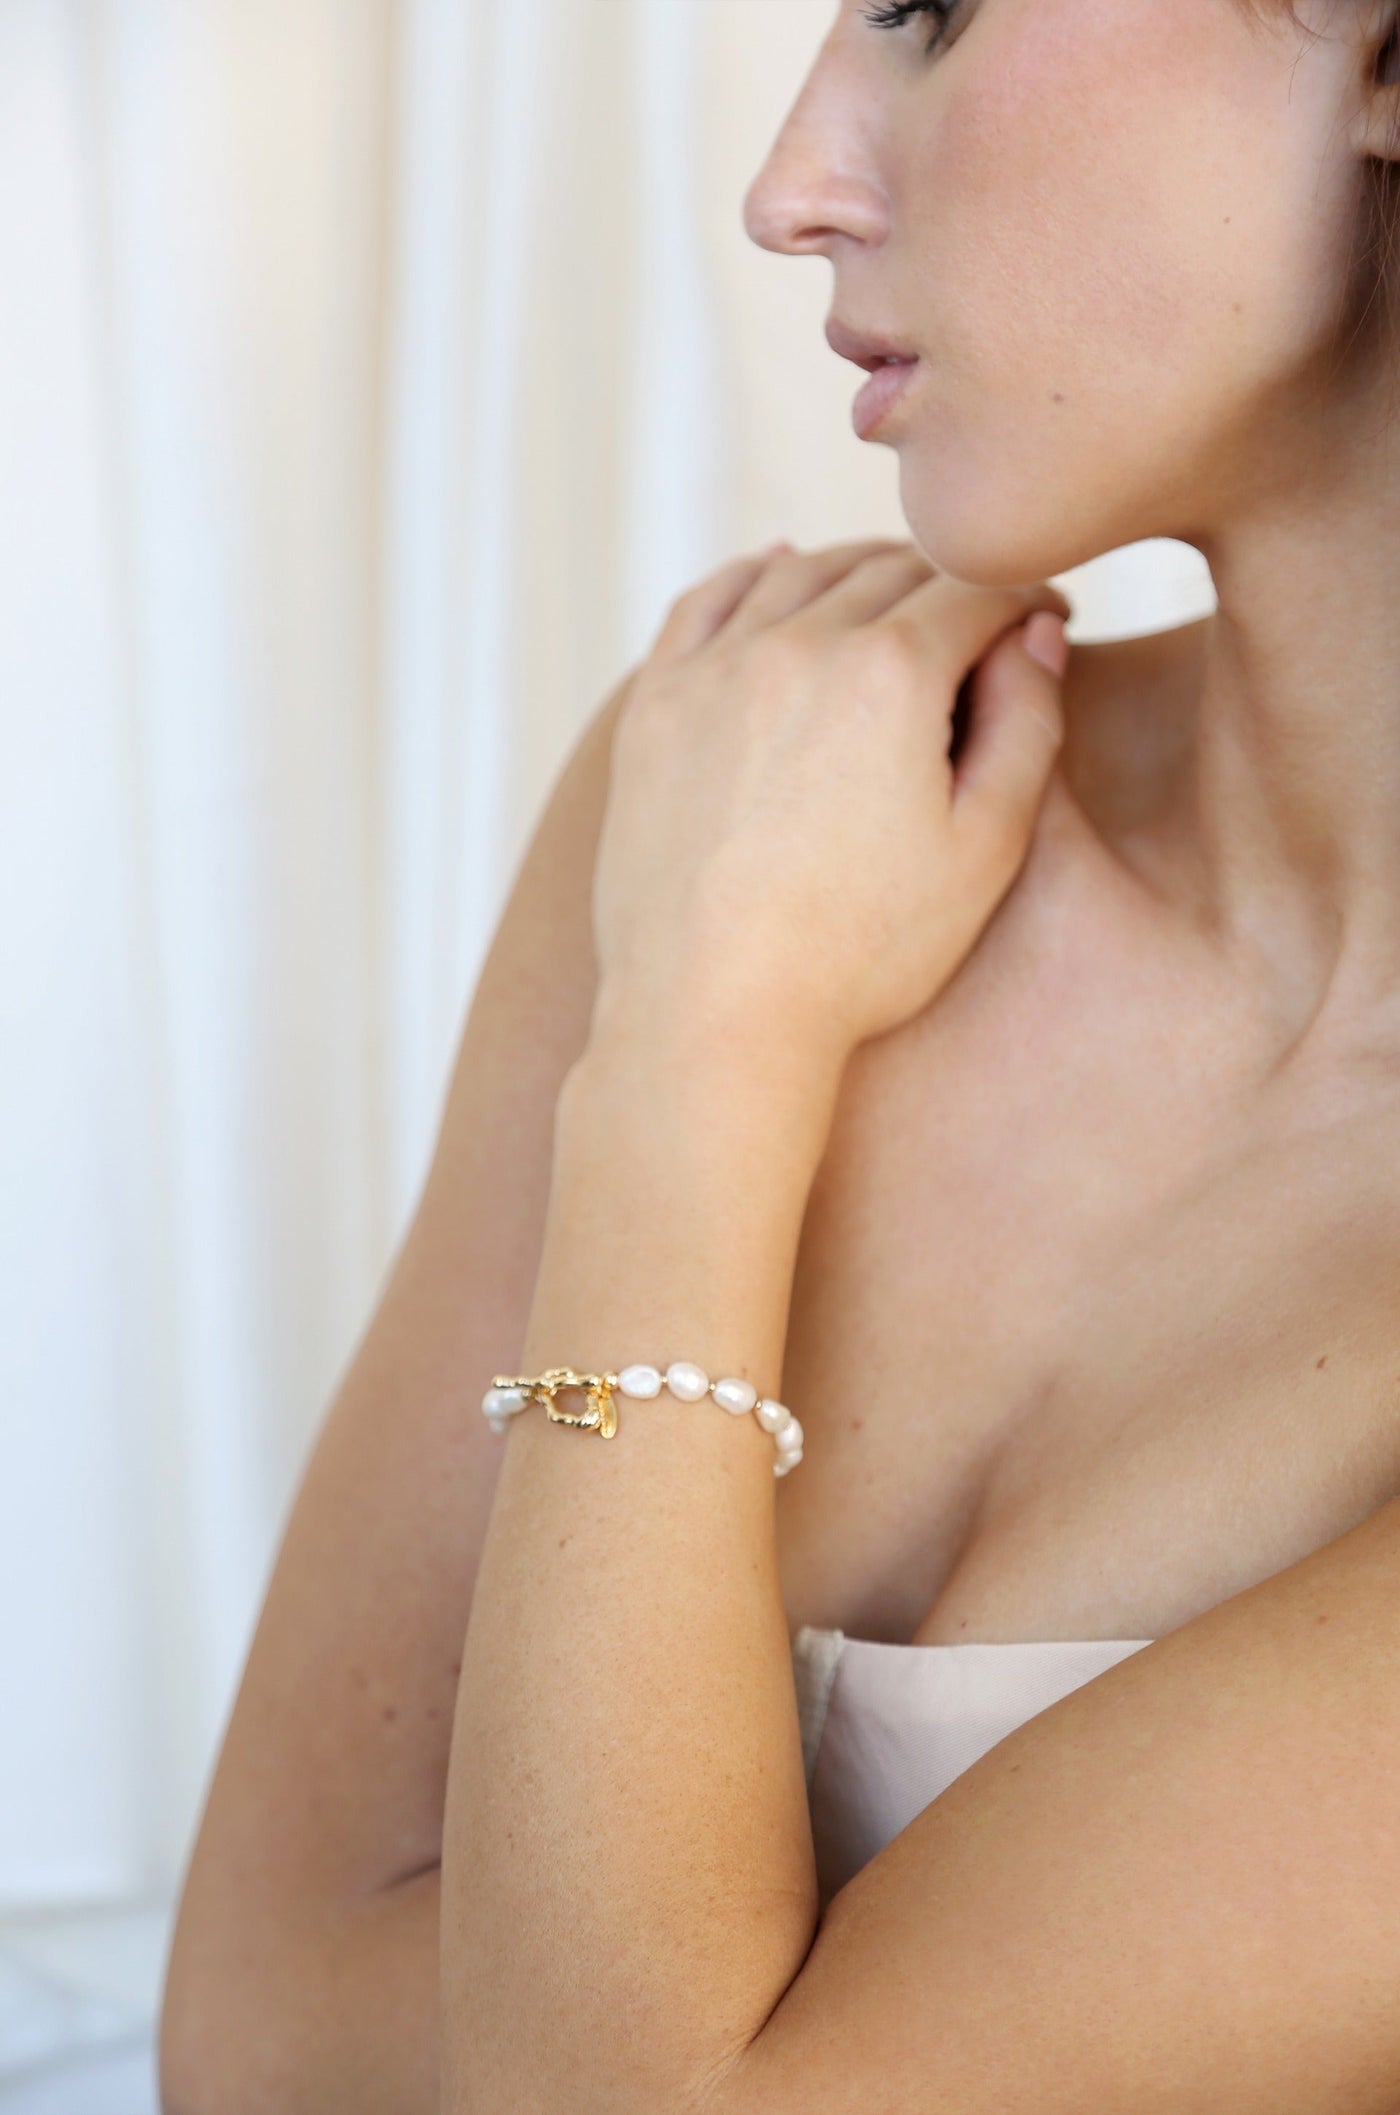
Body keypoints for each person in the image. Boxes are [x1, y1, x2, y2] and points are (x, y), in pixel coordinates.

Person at [159, 3, 1400, 2110]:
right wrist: (704, 1010)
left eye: (928, 7)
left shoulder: (729, 904)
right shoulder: (767, 795)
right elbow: (257, 2039)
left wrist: (693, 1073)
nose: (789, 185)